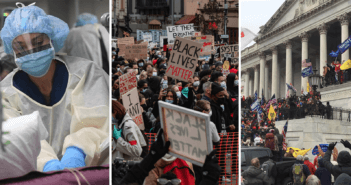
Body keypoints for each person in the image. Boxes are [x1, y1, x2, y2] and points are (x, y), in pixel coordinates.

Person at [0, 4, 109, 172]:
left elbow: (97, 121)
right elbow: (18, 138)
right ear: (11, 49)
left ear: (51, 38)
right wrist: (46, 163)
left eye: (38, 42)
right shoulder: (6, 93)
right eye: (20, 47)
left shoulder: (86, 73)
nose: (31, 51)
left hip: (88, 171)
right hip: (36, 175)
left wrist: (77, 152)